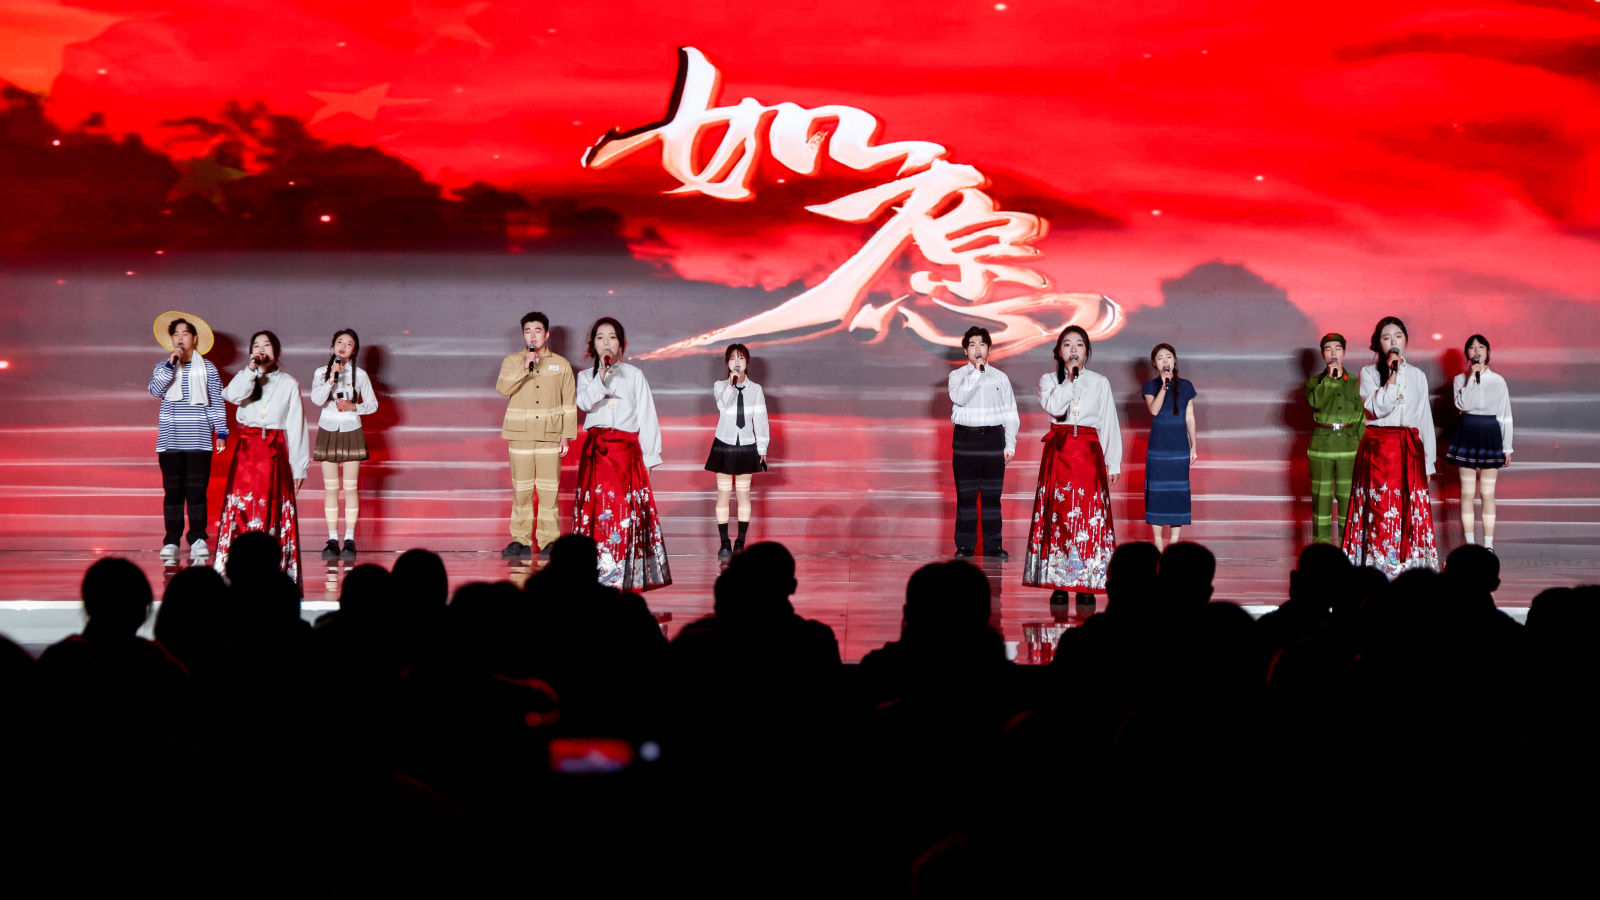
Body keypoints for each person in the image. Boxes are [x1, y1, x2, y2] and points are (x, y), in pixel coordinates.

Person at [1023, 325, 1122, 604]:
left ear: (1087, 351)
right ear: (1059, 351)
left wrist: (1113, 461)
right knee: (1061, 518)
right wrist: (1068, 379)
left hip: (1088, 454)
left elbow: (1108, 421)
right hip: (1059, 451)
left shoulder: (1100, 382)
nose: (1074, 349)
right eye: (1067, 344)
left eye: (1079, 344)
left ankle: (1086, 582)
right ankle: (1059, 582)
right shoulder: (1049, 380)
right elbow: (1055, 408)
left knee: (1088, 517)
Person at [574, 317, 671, 591]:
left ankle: (624, 577)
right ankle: (594, 576)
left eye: (612, 337)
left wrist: (650, 455)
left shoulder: (634, 374)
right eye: (600, 337)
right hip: (597, 452)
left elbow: (647, 415)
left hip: (626, 452)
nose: (606, 342)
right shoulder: (586, 377)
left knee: (624, 512)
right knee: (597, 513)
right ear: (593, 344)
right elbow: (584, 403)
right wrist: (601, 376)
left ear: (621, 343)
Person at [1343, 316, 1438, 576]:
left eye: (1398, 336)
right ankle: (1378, 570)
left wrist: (1429, 462)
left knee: (1410, 509)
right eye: (1387, 337)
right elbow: (1378, 408)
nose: (1393, 341)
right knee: (1381, 509)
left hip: (1410, 450)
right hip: (1380, 450)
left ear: (1405, 340)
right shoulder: (1369, 373)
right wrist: (1392, 376)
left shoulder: (1418, 375)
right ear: (1378, 343)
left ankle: (1411, 570)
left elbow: (1424, 419)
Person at [216, 330, 309, 583]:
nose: (260, 349)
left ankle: (274, 570)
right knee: (243, 507)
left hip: (274, 450)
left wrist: (299, 466)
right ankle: (236, 568)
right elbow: (231, 396)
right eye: (256, 345)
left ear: (276, 351)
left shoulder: (289, 383)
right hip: (247, 450)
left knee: (273, 507)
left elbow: (297, 425)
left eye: (266, 345)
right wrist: (250, 370)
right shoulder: (245, 378)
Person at [148, 312, 228, 561]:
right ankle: (171, 540)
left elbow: (216, 401)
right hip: (170, 440)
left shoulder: (208, 368)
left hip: (199, 439)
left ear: (194, 338)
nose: (180, 338)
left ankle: (197, 538)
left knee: (197, 492)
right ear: (171, 340)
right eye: (176, 334)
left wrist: (221, 431)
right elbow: (155, 390)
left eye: (185, 333)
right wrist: (170, 364)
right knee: (172, 492)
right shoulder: (163, 366)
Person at [497, 312, 577, 560]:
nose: (532, 335)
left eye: (537, 330)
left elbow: (569, 402)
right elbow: (503, 389)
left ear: (547, 334)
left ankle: (549, 541)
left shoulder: (561, 364)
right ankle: (520, 540)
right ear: (523, 335)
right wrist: (524, 367)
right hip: (520, 435)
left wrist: (566, 435)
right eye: (528, 331)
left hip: (550, 436)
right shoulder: (512, 361)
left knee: (549, 491)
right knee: (521, 491)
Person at [947, 326, 1019, 560]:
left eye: (982, 344)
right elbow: (959, 397)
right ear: (966, 350)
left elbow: (1011, 413)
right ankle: (965, 546)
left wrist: (1010, 444)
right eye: (973, 345)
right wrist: (977, 373)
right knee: (966, 495)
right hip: (965, 439)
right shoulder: (957, 376)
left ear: (989, 348)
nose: (977, 349)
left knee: (992, 496)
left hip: (993, 439)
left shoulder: (1000, 377)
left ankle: (994, 546)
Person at [310, 328, 378, 560]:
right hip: (328, 428)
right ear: (333, 346)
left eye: (349, 344)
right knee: (331, 488)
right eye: (340, 342)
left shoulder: (361, 375)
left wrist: (354, 407)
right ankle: (332, 540)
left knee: (350, 487)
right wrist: (331, 379)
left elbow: (373, 404)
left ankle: (349, 540)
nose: (343, 346)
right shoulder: (321, 372)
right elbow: (317, 400)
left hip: (351, 429)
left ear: (354, 350)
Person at [1448, 334, 1512, 551]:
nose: (1476, 351)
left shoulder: (1498, 381)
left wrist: (1507, 447)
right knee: (1467, 492)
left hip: (1490, 433)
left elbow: (1505, 414)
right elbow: (1463, 405)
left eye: (1481, 347)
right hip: (1468, 430)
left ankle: (1488, 546)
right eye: (1472, 347)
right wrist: (1471, 380)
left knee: (1487, 493)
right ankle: (1469, 545)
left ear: (1487, 352)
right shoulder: (1460, 379)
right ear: (1467, 353)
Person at [706, 343, 770, 558]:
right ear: (727, 363)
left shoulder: (756, 389)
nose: (736, 362)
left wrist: (762, 447)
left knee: (743, 493)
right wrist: (731, 384)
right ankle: (724, 542)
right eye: (732, 358)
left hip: (746, 444)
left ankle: (740, 542)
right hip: (724, 443)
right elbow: (723, 407)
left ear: (747, 362)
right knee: (723, 492)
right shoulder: (720, 386)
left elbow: (760, 419)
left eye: (740, 358)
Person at [1304, 332, 1365, 545]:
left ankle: (1347, 551)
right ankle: (1322, 553)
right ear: (1323, 354)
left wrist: (1363, 450)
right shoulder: (1314, 383)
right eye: (1328, 349)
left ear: (1344, 353)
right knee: (1321, 500)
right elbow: (1316, 402)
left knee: (1348, 501)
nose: (1333, 353)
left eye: (1337, 349)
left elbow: (1360, 418)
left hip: (1349, 447)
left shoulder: (1355, 382)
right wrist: (1330, 379)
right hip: (1322, 446)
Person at [1141, 343, 1197, 550]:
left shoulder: (1187, 386)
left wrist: (1194, 446)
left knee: (1177, 491)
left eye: (1168, 356)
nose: (1165, 361)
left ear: (1174, 360)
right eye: (1160, 358)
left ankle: (1174, 543)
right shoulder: (1150, 386)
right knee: (1157, 491)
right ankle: (1157, 542)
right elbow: (1154, 410)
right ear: (1154, 364)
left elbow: (1190, 417)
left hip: (1179, 447)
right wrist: (1164, 386)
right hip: (1158, 448)